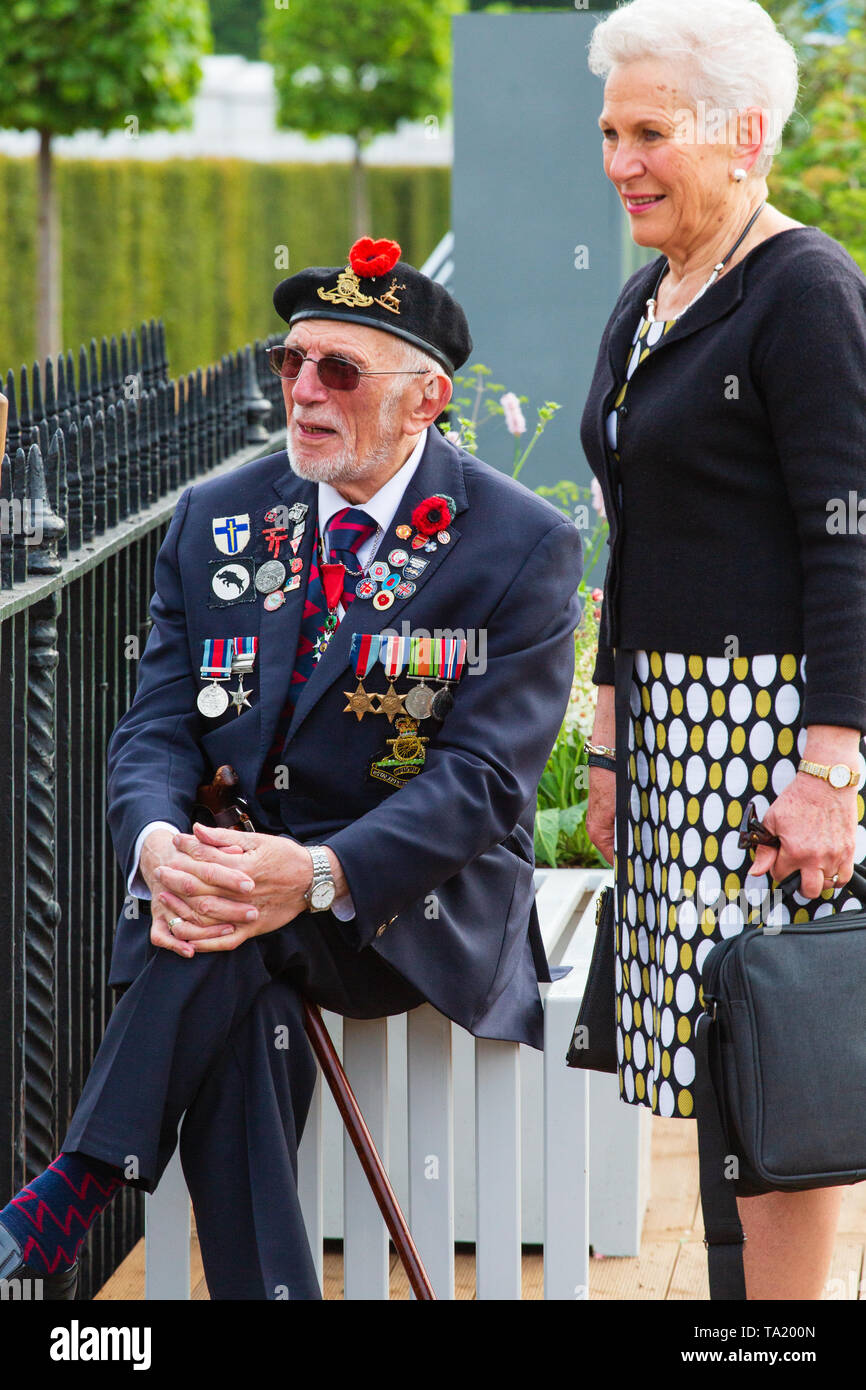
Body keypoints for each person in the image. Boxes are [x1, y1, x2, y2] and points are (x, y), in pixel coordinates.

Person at [0, 236, 582, 1300]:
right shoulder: (215, 515)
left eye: (340, 372)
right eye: (291, 363)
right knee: (233, 954)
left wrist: (310, 874)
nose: (303, 393)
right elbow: (156, 731)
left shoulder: (518, 544)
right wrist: (156, 842)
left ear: (426, 399)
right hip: (229, 889)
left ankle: (77, 1181)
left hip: (407, 900)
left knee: (226, 932)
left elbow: (483, 784)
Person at [580, 0, 866, 1300]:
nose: (620, 159)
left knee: (778, 1079)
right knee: (710, 1069)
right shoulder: (650, 294)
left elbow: (848, 541)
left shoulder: (803, 288)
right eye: (608, 130)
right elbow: (630, 538)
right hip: (667, 739)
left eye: (650, 131)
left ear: (743, 134)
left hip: (764, 747)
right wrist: (604, 737)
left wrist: (829, 775)